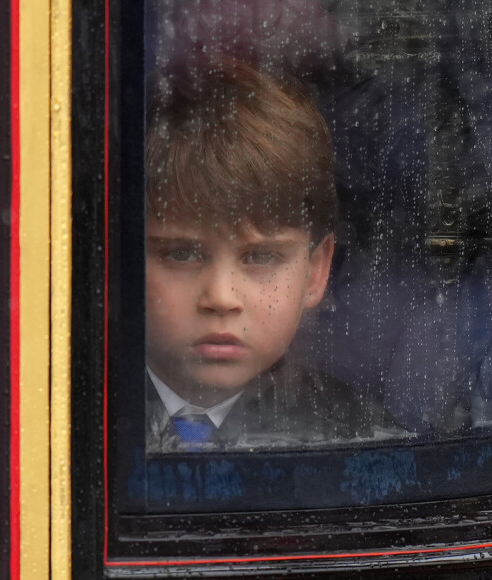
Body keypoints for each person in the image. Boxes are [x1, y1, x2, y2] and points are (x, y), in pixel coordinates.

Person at [144, 57, 401, 452]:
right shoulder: (61, 415)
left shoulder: (359, 436)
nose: (221, 298)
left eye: (261, 258)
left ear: (315, 272)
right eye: (181, 254)